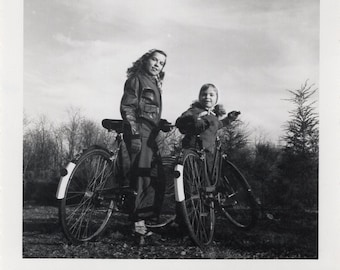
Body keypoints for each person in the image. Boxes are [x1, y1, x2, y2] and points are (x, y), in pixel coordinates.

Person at [120, 49, 171, 245]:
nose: (158, 64)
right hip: (139, 133)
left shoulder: (155, 84)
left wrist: (161, 123)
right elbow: (128, 107)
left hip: (151, 135)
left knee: (157, 176)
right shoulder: (137, 79)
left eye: (162, 63)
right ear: (145, 60)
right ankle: (138, 226)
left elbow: (149, 111)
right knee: (142, 177)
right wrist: (133, 133)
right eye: (155, 59)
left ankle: (146, 219)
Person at [175, 83, 240, 173]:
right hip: (193, 150)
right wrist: (194, 119)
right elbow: (181, 120)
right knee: (192, 175)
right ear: (199, 97)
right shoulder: (194, 111)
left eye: (211, 95)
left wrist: (229, 119)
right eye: (204, 94)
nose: (207, 97)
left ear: (216, 99)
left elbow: (219, 125)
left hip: (209, 152)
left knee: (208, 175)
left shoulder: (213, 116)